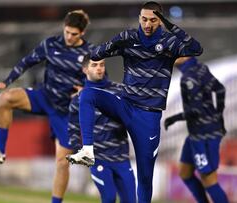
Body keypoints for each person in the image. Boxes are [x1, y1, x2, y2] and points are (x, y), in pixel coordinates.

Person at [67, 1, 203, 202]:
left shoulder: (169, 42)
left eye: (153, 20)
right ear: (140, 18)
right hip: (125, 105)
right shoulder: (128, 37)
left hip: (148, 116)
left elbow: (196, 48)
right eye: (144, 19)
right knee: (87, 95)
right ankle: (87, 150)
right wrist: (112, 47)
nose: (147, 24)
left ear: (161, 20)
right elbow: (96, 54)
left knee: (145, 178)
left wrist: (171, 26)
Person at [0, 10, 93, 203]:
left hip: (65, 110)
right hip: (44, 96)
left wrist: (86, 90)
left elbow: (99, 80)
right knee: (5, 98)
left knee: (62, 163)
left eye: (74, 34)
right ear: (64, 28)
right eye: (67, 32)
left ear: (82, 33)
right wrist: (6, 82)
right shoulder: (51, 44)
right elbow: (26, 62)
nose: (69, 37)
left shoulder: (90, 53)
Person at [68, 55, 136, 203]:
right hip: (99, 159)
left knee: (131, 200)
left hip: (122, 158)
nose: (99, 68)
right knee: (109, 198)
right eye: (94, 65)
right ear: (85, 69)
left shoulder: (120, 91)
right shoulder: (78, 99)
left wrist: (126, 124)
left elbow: (133, 115)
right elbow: (72, 128)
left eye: (102, 64)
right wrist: (77, 147)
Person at [164, 56, 228, 203]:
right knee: (185, 172)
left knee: (208, 179)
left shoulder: (188, 78)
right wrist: (218, 116)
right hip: (196, 133)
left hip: (204, 135)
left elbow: (196, 112)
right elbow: (220, 89)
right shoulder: (200, 68)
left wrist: (173, 118)